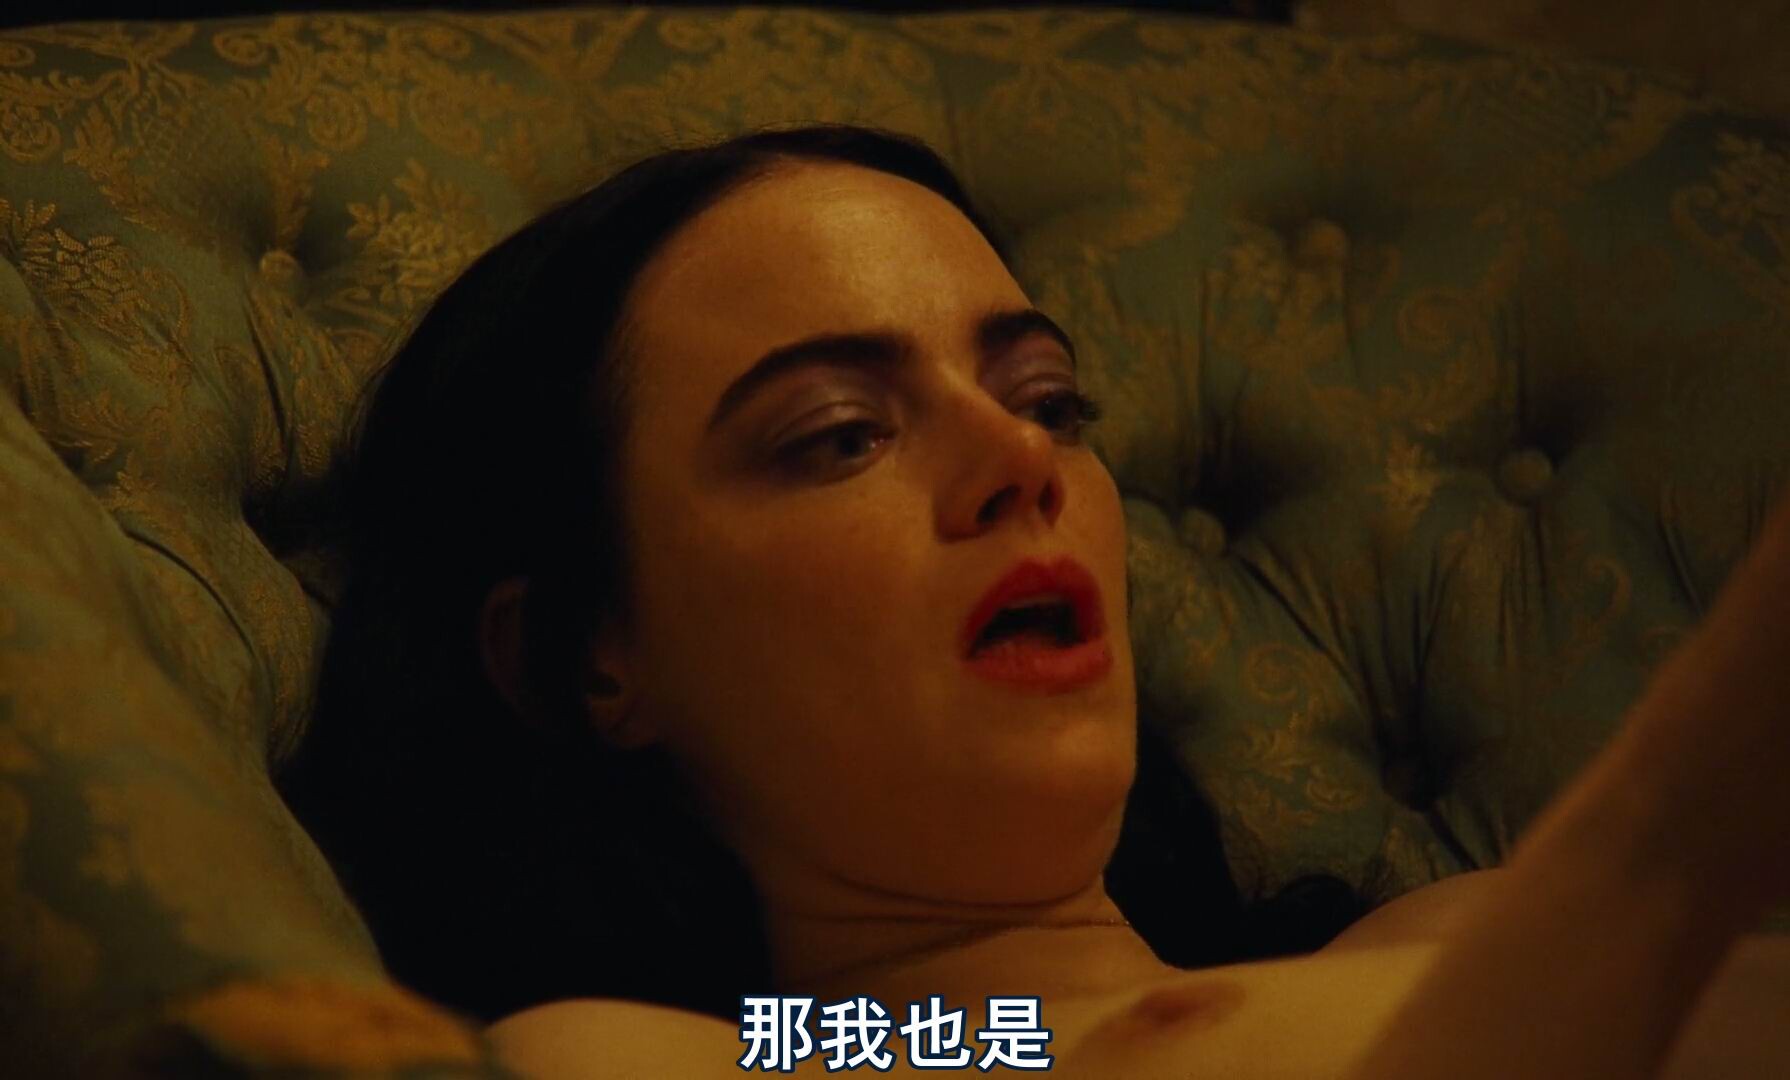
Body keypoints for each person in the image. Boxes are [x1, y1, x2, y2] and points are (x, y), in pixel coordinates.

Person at [276, 122, 1790, 1079]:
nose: (1020, 459)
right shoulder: (685, 1058)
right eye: (838, 435)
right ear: (590, 660)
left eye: (1049, 399)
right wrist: (1681, 817)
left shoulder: (1458, 932)